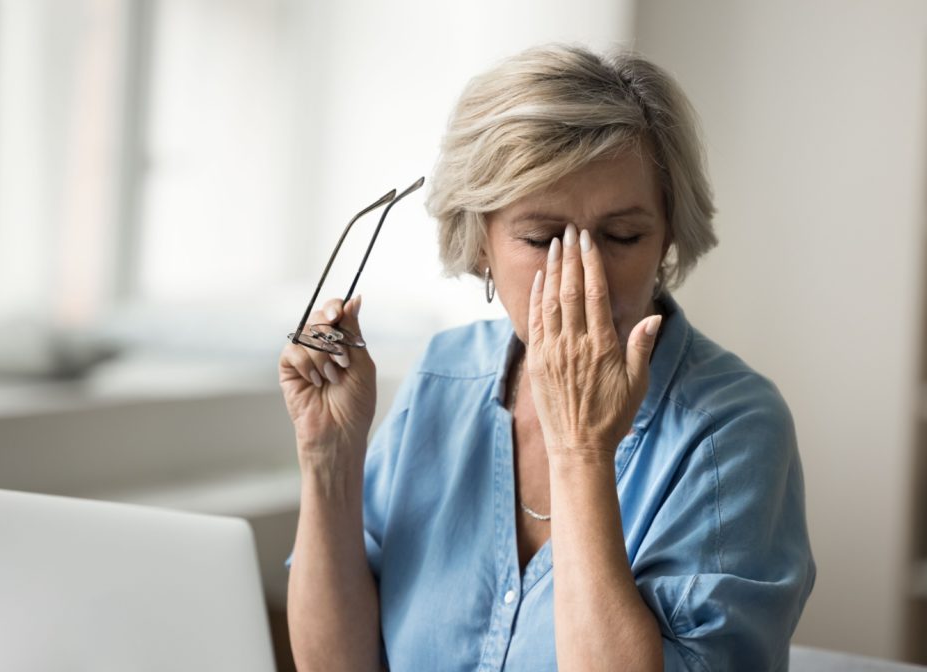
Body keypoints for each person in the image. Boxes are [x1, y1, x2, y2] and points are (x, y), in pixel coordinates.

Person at [279, 43, 815, 672]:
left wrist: (582, 448)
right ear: (480, 241)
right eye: (540, 239)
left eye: (623, 237)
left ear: (668, 236)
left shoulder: (733, 427)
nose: (584, 278)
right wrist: (329, 459)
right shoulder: (442, 378)